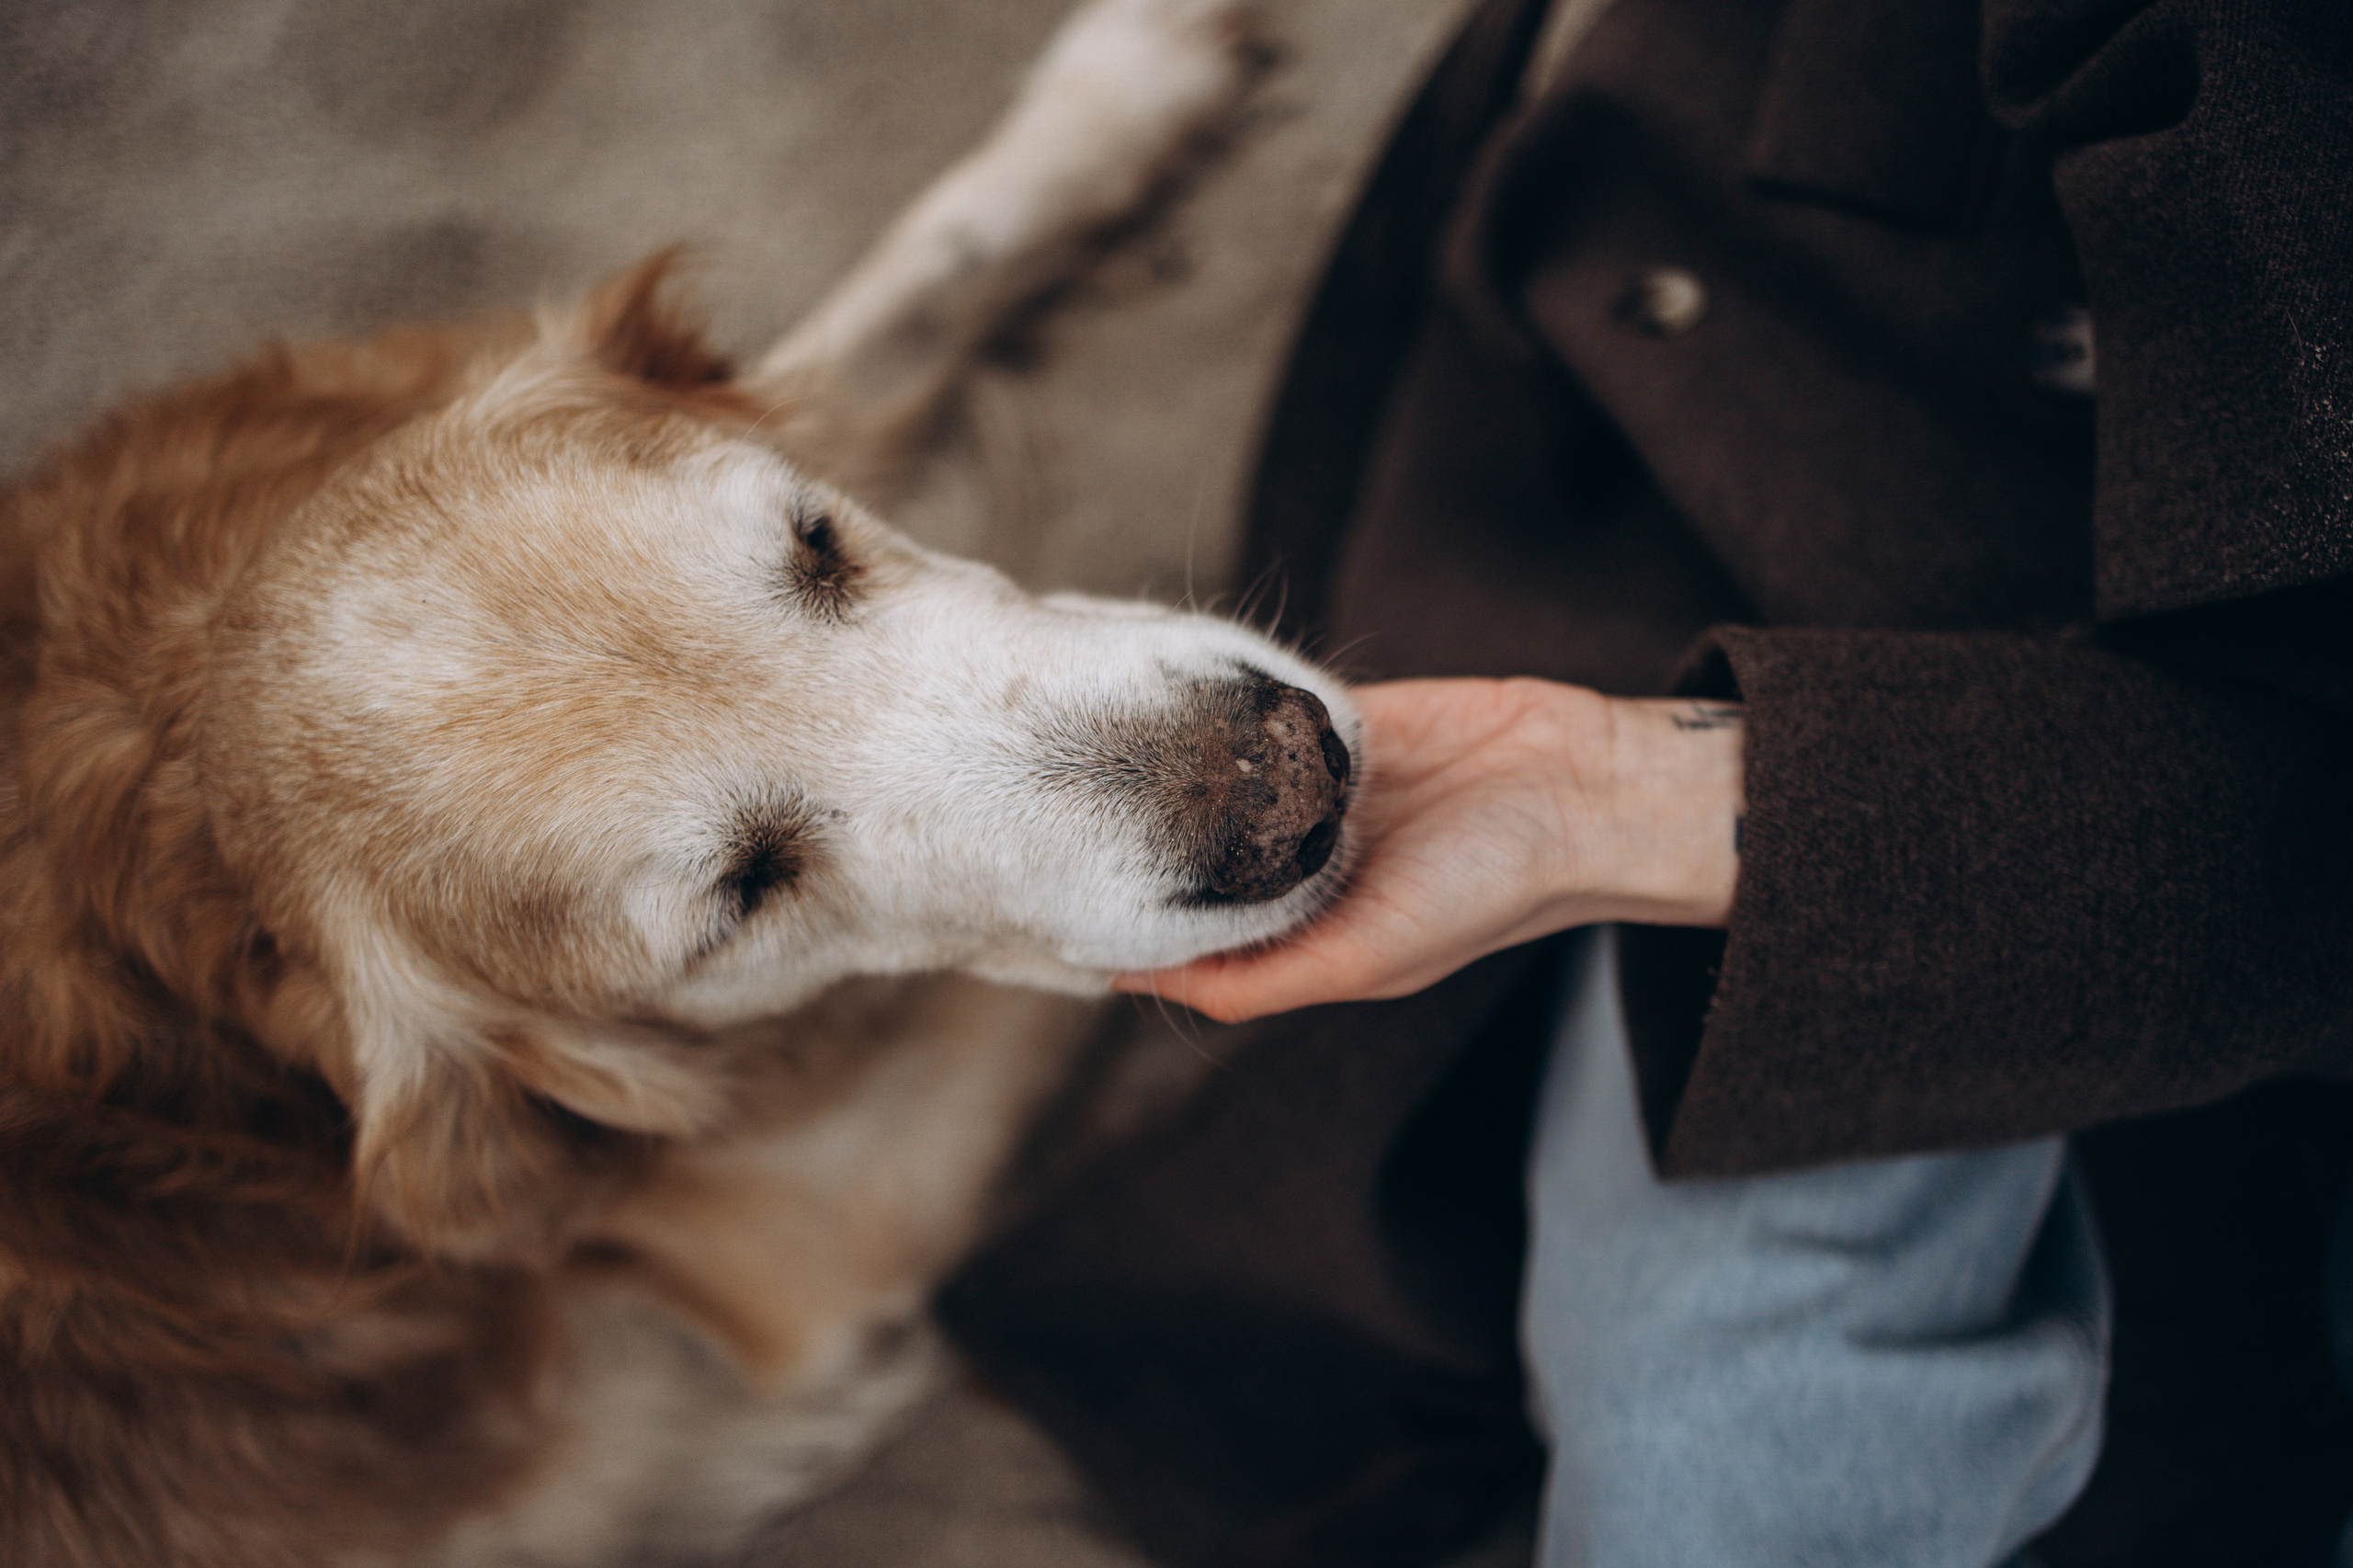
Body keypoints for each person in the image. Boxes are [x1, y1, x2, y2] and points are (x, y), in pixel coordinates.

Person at [940, 0, 2353, 1563]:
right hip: (1725, 534)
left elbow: (2308, 839)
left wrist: (1657, 802)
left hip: (2024, 754)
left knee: (1725, 1446)